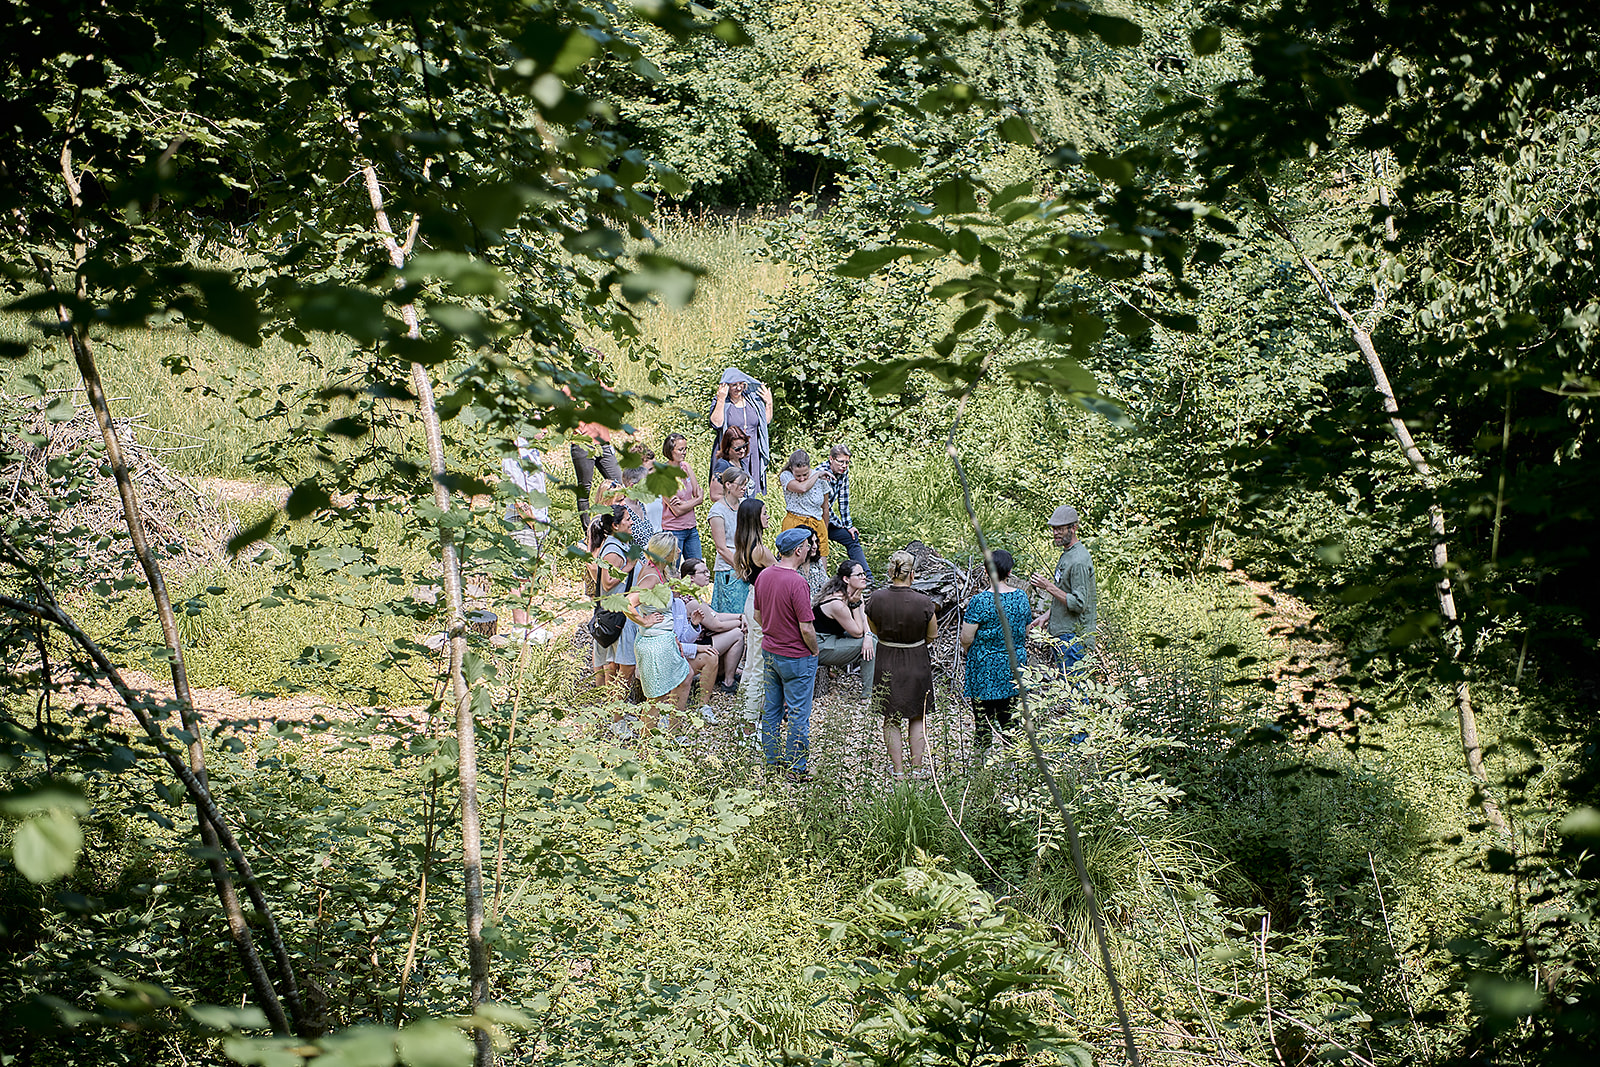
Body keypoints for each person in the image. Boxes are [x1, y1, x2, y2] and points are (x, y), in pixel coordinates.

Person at [753, 527, 821, 781]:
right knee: (798, 713)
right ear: (797, 550)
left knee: (771, 709)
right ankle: (796, 768)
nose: (808, 549)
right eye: (806, 546)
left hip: (770, 651)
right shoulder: (797, 582)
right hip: (796, 656)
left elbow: (758, 615)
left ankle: (771, 762)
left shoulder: (764, 575)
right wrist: (814, 651)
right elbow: (806, 626)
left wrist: (774, 632)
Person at [866, 550, 937, 779]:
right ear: (912, 574)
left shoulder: (876, 599)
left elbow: (873, 629)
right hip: (916, 660)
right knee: (917, 715)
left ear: (891, 572)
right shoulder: (924, 602)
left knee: (891, 716)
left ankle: (897, 770)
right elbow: (932, 635)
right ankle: (917, 769)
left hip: (887, 659)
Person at [959, 548, 1031, 750]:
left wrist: (968, 651)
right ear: (1009, 572)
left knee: (983, 723)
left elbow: (966, 637)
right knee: (1011, 721)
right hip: (1014, 667)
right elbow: (1026, 632)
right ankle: (1014, 768)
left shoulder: (979, 601)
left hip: (985, 668)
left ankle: (981, 770)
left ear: (985, 571)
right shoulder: (1021, 598)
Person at [627, 533, 694, 728]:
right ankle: (648, 746)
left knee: (686, 676)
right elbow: (628, 603)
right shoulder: (651, 577)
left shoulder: (657, 569)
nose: (680, 551)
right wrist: (643, 620)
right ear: (667, 553)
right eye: (676, 549)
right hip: (654, 643)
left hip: (664, 639)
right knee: (657, 697)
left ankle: (673, 730)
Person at [1029, 505, 1097, 673]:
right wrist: (1046, 617)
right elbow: (1065, 594)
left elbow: (1079, 603)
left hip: (1073, 637)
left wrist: (1048, 587)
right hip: (1063, 634)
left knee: (1076, 694)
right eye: (1053, 529)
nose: (1055, 533)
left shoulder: (1079, 560)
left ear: (1073, 528)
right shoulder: (1068, 554)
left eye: (1060, 529)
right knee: (1068, 690)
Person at [732, 496, 778, 736]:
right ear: (754, 519)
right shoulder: (759, 550)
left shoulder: (743, 546)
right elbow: (781, 573)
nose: (768, 517)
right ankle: (750, 724)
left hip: (752, 599)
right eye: (764, 513)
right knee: (759, 663)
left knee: (751, 661)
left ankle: (743, 714)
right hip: (761, 602)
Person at [674, 558, 746, 704]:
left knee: (735, 632)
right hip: (695, 645)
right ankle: (728, 682)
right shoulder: (691, 601)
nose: (708, 574)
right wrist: (742, 624)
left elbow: (716, 615)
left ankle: (723, 674)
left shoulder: (693, 594)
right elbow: (716, 625)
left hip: (703, 639)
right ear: (691, 577)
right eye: (704, 572)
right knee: (738, 635)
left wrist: (741, 616)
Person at [502, 435, 550, 628]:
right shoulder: (516, 450)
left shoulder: (532, 449)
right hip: (523, 523)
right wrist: (532, 521)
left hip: (535, 522)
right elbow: (516, 492)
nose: (546, 429)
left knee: (529, 576)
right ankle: (520, 627)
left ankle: (527, 624)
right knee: (520, 577)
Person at [587, 506, 635, 690]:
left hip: (619, 609)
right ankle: (612, 708)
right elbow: (607, 583)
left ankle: (609, 705)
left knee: (613, 662)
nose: (631, 522)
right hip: (615, 611)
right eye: (628, 519)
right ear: (615, 525)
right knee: (617, 663)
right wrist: (629, 566)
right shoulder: (612, 551)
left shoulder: (618, 543)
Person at [813, 558, 876, 698]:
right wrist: (855, 605)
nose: (864, 577)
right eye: (859, 575)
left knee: (872, 640)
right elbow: (857, 633)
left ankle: (873, 689)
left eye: (864, 573)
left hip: (833, 638)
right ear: (846, 579)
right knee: (871, 643)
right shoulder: (838, 603)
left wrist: (868, 635)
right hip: (820, 646)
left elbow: (863, 617)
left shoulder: (853, 593)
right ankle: (868, 696)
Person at [709, 368, 773, 496]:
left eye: (741, 384)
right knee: (731, 491)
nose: (738, 388)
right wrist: (721, 399)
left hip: (751, 453)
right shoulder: (722, 401)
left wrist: (769, 403)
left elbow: (764, 422)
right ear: (726, 386)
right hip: (732, 454)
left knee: (750, 492)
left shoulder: (752, 400)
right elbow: (717, 423)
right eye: (734, 385)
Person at [778, 450, 831, 585]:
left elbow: (825, 507)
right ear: (791, 469)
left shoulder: (821, 480)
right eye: (798, 475)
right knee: (793, 559)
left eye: (805, 474)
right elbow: (802, 488)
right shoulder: (786, 476)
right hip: (795, 522)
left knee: (819, 558)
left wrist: (825, 528)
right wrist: (817, 474)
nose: (802, 478)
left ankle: (820, 588)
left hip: (816, 522)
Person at [823, 443, 872, 581]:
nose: (844, 466)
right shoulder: (822, 474)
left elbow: (843, 501)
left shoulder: (843, 473)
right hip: (815, 519)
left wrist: (848, 526)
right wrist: (840, 524)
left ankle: (867, 578)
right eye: (841, 462)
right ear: (831, 459)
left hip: (829, 520)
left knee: (852, 537)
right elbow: (823, 506)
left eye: (847, 462)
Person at [707, 468, 748, 612]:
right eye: (741, 484)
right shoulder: (717, 511)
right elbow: (721, 548)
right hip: (729, 568)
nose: (744, 488)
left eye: (745, 484)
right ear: (728, 485)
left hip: (745, 563)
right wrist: (741, 568)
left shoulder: (745, 504)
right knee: (731, 613)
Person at [659, 432, 704, 562]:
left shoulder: (685, 467)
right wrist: (695, 501)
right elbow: (677, 510)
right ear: (670, 451)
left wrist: (685, 502)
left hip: (691, 528)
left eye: (685, 449)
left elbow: (699, 493)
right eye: (680, 449)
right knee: (672, 571)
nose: (684, 452)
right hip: (673, 531)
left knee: (696, 567)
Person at [708, 428, 753, 505]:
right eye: (737, 449)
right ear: (727, 448)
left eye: (744, 446)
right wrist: (737, 503)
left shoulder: (741, 463)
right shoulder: (723, 465)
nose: (742, 450)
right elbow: (714, 495)